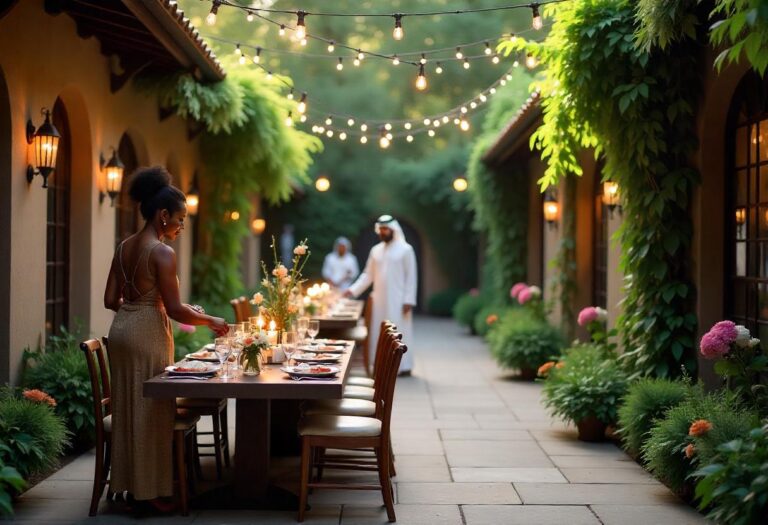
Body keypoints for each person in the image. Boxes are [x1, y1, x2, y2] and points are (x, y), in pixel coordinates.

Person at [103, 166, 228, 510]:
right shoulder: (162, 252)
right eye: (180, 218)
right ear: (163, 215)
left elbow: (110, 300)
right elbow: (174, 310)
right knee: (154, 410)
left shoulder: (124, 246)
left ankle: (127, 487)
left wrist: (144, 304)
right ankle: (151, 494)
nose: (182, 226)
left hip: (122, 332)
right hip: (148, 334)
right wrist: (211, 319)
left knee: (129, 408)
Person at [345, 215, 417, 375]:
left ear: (393, 229)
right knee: (379, 332)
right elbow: (367, 275)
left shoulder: (406, 250)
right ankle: (380, 365)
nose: (383, 232)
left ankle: (403, 366)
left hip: (399, 301)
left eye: (386, 229)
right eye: (381, 229)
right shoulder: (375, 251)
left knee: (399, 331)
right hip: (379, 301)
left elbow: (411, 277)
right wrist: (352, 290)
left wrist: (408, 300)